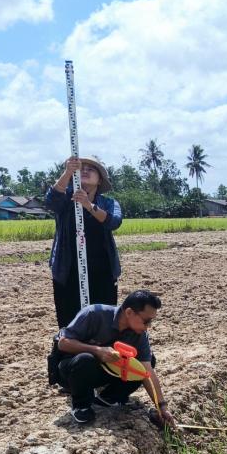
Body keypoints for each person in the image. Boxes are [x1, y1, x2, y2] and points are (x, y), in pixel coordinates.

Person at [51, 290, 174, 428]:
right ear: (129, 312)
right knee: (86, 359)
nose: (148, 326)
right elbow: (63, 343)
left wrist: (162, 407)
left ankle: (108, 398)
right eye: (146, 321)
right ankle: (81, 406)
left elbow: (147, 371)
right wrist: (97, 350)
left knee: (145, 363)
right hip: (73, 370)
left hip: (104, 372)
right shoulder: (94, 314)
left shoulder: (139, 335)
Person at [44, 156, 123, 328]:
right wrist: (67, 173)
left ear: (100, 179)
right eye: (82, 168)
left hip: (102, 270)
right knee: (69, 321)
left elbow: (113, 221)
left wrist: (88, 205)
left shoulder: (108, 203)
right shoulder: (66, 198)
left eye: (91, 169)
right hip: (68, 269)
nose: (85, 171)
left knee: (103, 320)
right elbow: (50, 201)